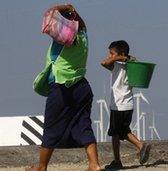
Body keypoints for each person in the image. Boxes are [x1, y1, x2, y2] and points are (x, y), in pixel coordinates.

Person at [28, 4, 101, 171]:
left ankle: (41, 167)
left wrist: (64, 7)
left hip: (62, 87)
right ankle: (94, 164)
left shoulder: (62, 36)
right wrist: (74, 12)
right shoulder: (83, 36)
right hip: (82, 86)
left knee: (51, 126)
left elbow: (49, 13)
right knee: (83, 124)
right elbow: (82, 24)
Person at [101, 40, 151, 169]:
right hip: (128, 105)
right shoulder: (132, 65)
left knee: (119, 132)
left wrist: (118, 58)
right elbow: (135, 62)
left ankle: (140, 146)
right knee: (119, 132)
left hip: (118, 105)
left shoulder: (116, 65)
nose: (110, 56)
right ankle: (117, 161)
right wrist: (125, 57)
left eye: (112, 53)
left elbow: (103, 63)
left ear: (121, 54)